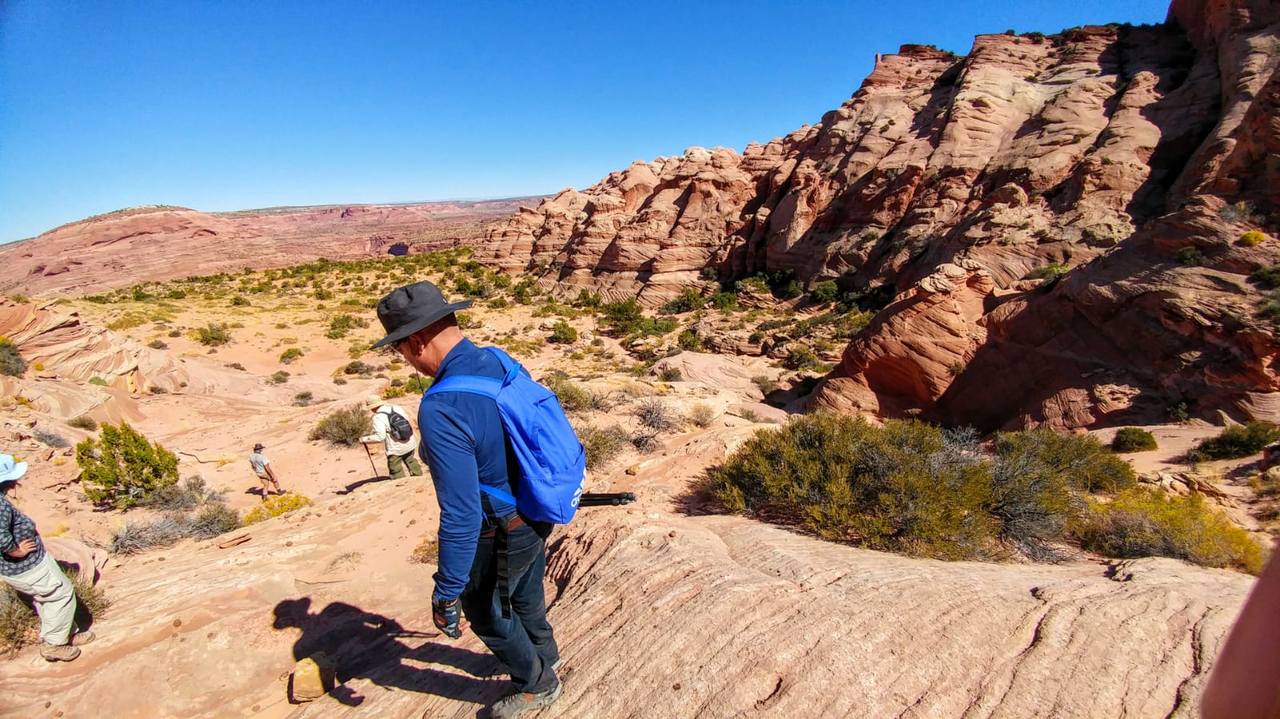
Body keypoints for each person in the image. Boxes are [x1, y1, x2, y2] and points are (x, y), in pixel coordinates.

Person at [372, 281, 561, 718]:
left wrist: (447, 592)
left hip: (498, 530)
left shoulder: (441, 407)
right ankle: (546, 654)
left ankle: (538, 682)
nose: (404, 359)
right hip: (536, 508)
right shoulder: (497, 357)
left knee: (486, 610)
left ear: (417, 341)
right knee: (527, 595)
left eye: (400, 349)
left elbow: (460, 514)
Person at [0, 453, 95, 662]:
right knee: (61, 595)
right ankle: (54, 645)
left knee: (47, 598)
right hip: (27, 566)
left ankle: (66, 633)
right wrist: (17, 550)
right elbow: (1, 538)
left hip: (26, 566)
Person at [358, 396, 424, 479]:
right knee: (411, 460)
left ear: (372, 407)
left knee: (395, 468)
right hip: (409, 441)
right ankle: (418, 477)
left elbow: (380, 437)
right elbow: (406, 420)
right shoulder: (396, 408)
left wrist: (364, 439)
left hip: (395, 448)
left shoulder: (378, 417)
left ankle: (401, 484)